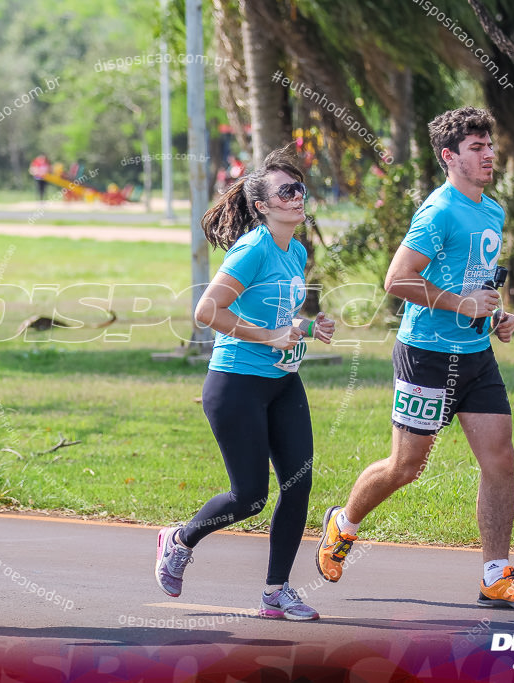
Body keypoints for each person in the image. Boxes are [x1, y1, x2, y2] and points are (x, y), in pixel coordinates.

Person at [316, 107, 514, 610]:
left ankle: (496, 575)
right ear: (450, 156)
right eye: (476, 148)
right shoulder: (439, 210)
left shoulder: (491, 210)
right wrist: (462, 304)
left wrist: (496, 316)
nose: (489, 154)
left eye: (489, 145)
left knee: (500, 461)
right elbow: (396, 280)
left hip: (476, 355)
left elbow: (477, 281)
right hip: (426, 355)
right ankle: (344, 522)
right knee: (406, 466)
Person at [154, 146, 335, 620]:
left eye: (300, 188)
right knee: (250, 497)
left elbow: (273, 311)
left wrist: (306, 328)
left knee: (298, 485)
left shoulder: (295, 248)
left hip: (283, 382)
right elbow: (207, 312)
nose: (298, 197)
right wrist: (270, 336)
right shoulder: (253, 248)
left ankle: (276, 594)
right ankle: (180, 539)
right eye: (287, 191)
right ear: (262, 205)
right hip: (236, 384)